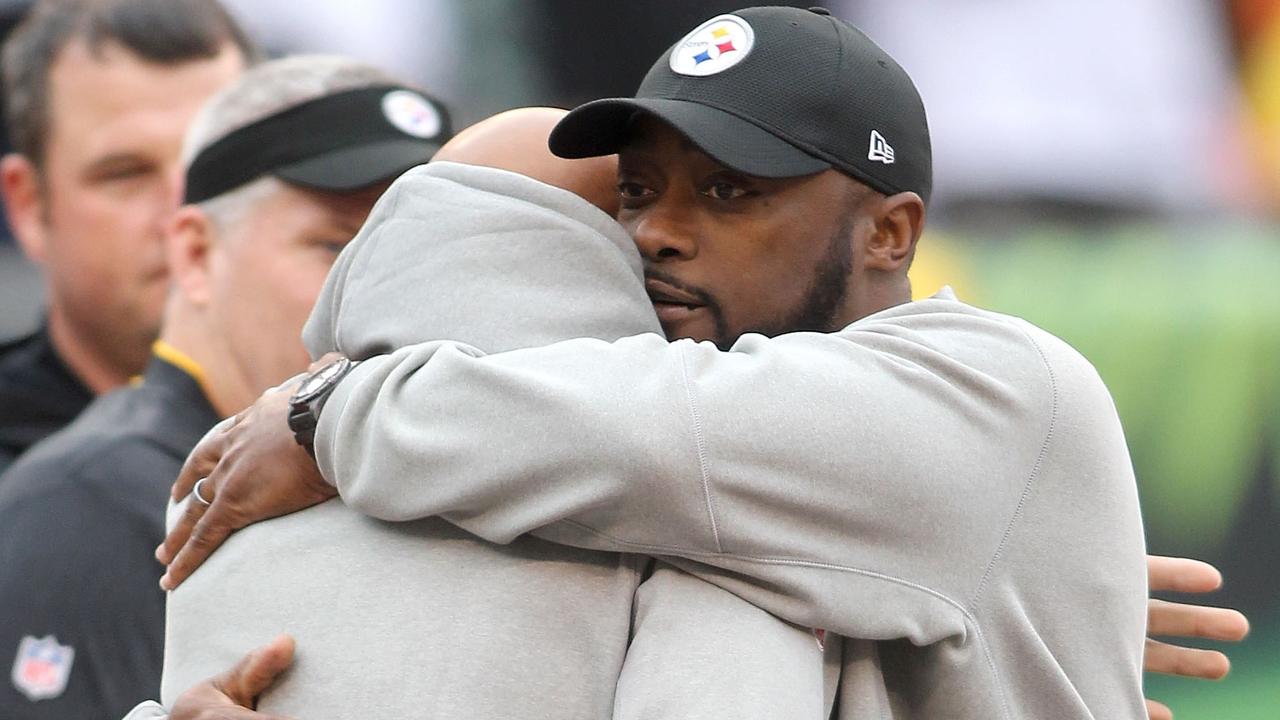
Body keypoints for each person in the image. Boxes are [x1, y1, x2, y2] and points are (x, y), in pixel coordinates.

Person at [158, 7, 1249, 719]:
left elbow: (634, 435)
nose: (658, 233)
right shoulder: (690, 482)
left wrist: (327, 417)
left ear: (888, 232)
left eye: (731, 191)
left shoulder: (999, 383)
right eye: (638, 189)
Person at [0, 55, 450, 720]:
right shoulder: (84, 506)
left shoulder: (425, 491)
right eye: (336, 246)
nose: (394, 291)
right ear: (195, 254)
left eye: (428, 253)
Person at [0, 0, 256, 475]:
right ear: (29, 207)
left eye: (216, 160)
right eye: (126, 174)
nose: (185, 213)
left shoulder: (359, 438)